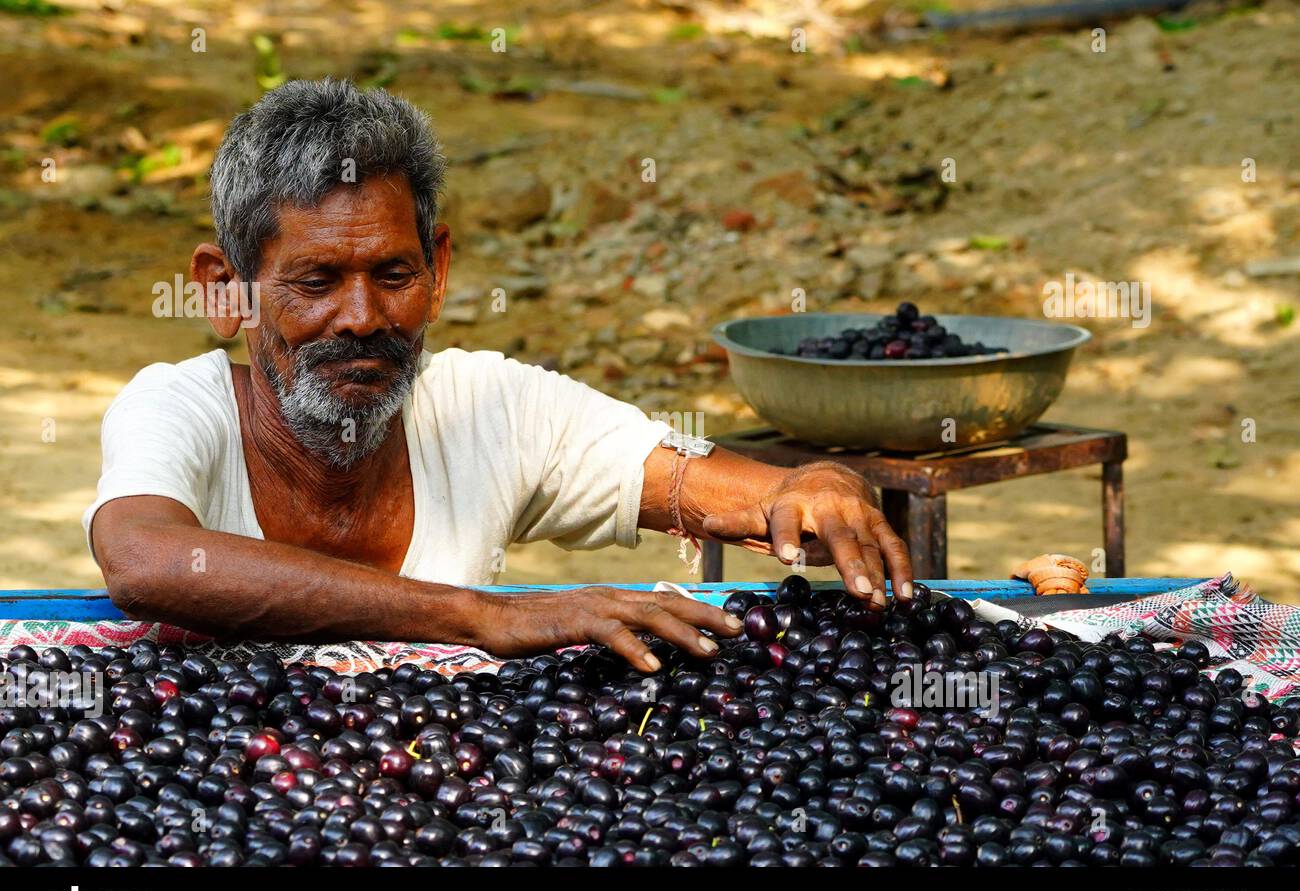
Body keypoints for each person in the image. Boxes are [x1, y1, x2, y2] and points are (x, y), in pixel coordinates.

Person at [86, 79, 912, 673]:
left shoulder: (490, 406)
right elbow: (145, 559)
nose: (364, 318)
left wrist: (811, 484)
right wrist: (481, 616)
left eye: (395, 275)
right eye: (315, 282)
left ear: (438, 270)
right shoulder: (181, 404)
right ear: (225, 289)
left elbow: (714, 488)